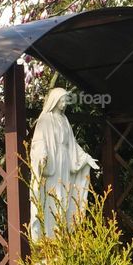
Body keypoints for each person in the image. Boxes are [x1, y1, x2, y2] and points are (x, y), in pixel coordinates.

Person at [28, 87, 99, 242]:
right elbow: (39, 141)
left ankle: (62, 236)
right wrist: (42, 154)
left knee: (64, 198)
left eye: (66, 100)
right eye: (63, 100)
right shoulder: (45, 119)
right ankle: (49, 237)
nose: (65, 103)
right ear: (55, 100)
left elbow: (72, 144)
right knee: (53, 198)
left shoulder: (64, 120)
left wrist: (85, 157)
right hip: (52, 164)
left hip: (65, 162)